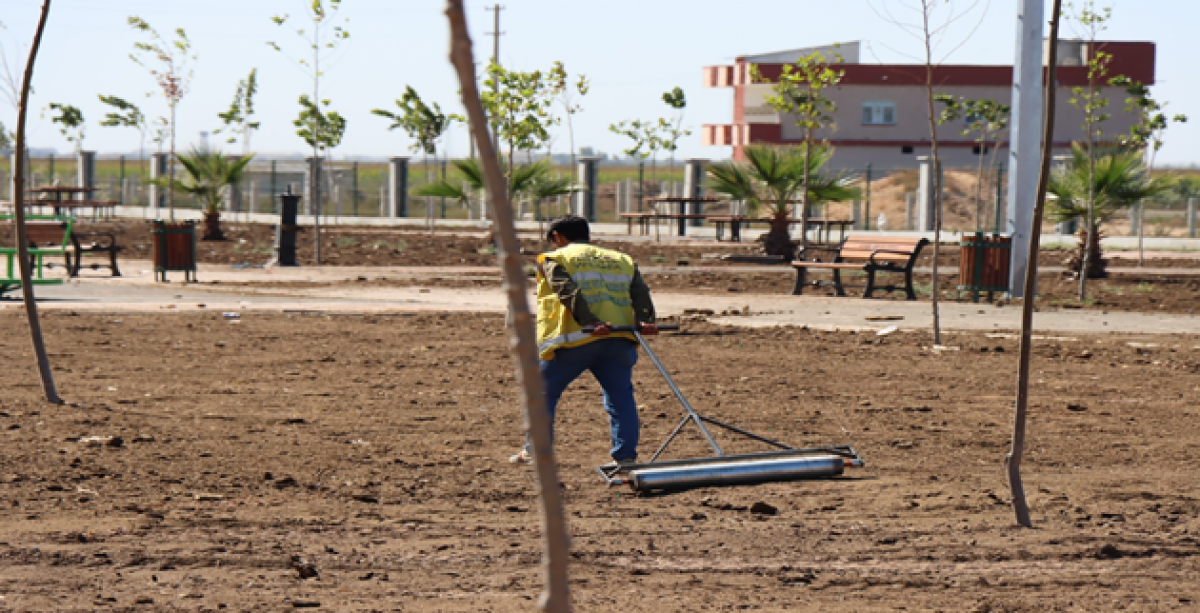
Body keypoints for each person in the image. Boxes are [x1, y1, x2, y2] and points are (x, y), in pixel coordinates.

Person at [510, 215, 657, 467]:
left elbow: (566, 290)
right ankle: (625, 457)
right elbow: (640, 292)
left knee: (541, 393)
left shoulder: (555, 259)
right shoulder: (621, 260)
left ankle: (536, 450)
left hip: (576, 339)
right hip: (619, 337)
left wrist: (590, 322)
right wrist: (645, 320)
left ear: (557, 237)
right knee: (620, 398)